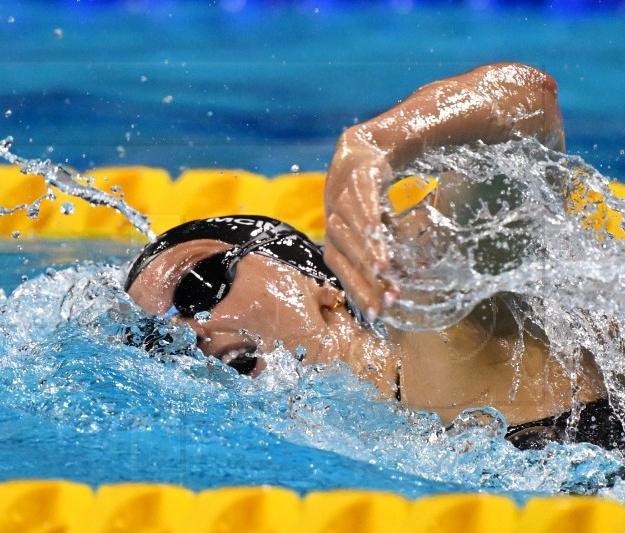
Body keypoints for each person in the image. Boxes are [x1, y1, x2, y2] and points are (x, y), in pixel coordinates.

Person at [125, 63, 622, 451]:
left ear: (323, 287)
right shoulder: (375, 431)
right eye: (159, 342)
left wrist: (373, 145)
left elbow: (526, 104)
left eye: (198, 287)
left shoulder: (437, 310)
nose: (189, 330)